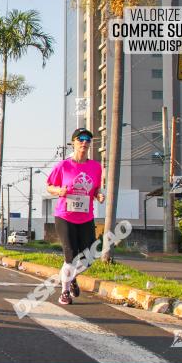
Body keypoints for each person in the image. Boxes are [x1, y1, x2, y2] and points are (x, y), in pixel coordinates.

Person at [46, 127, 105, 305]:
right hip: (65, 216)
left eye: (88, 139)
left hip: (86, 217)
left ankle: (70, 278)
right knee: (70, 255)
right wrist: (59, 190)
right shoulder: (63, 166)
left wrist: (99, 194)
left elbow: (96, 188)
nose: (85, 142)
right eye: (81, 139)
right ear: (74, 142)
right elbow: (49, 185)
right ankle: (64, 292)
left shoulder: (95, 167)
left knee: (89, 257)